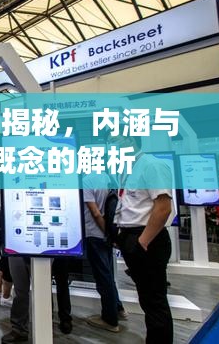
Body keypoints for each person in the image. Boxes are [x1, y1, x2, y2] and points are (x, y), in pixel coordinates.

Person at [108, 133, 174, 344]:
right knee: (146, 298)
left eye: (115, 140)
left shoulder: (152, 165)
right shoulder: (127, 169)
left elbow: (163, 207)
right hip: (131, 237)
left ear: (130, 140)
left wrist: (143, 241)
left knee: (154, 300)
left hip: (148, 239)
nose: (112, 145)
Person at [83, 171, 127, 333]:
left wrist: (106, 233)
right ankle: (118, 308)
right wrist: (111, 235)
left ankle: (110, 319)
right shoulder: (109, 178)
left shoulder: (87, 180)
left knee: (103, 278)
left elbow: (95, 212)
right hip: (105, 236)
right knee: (108, 275)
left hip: (95, 235)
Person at [1, 256, 72, 343]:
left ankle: (44, 327)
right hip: (16, 252)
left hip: (41, 252)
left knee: (43, 290)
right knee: (19, 291)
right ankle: (19, 329)